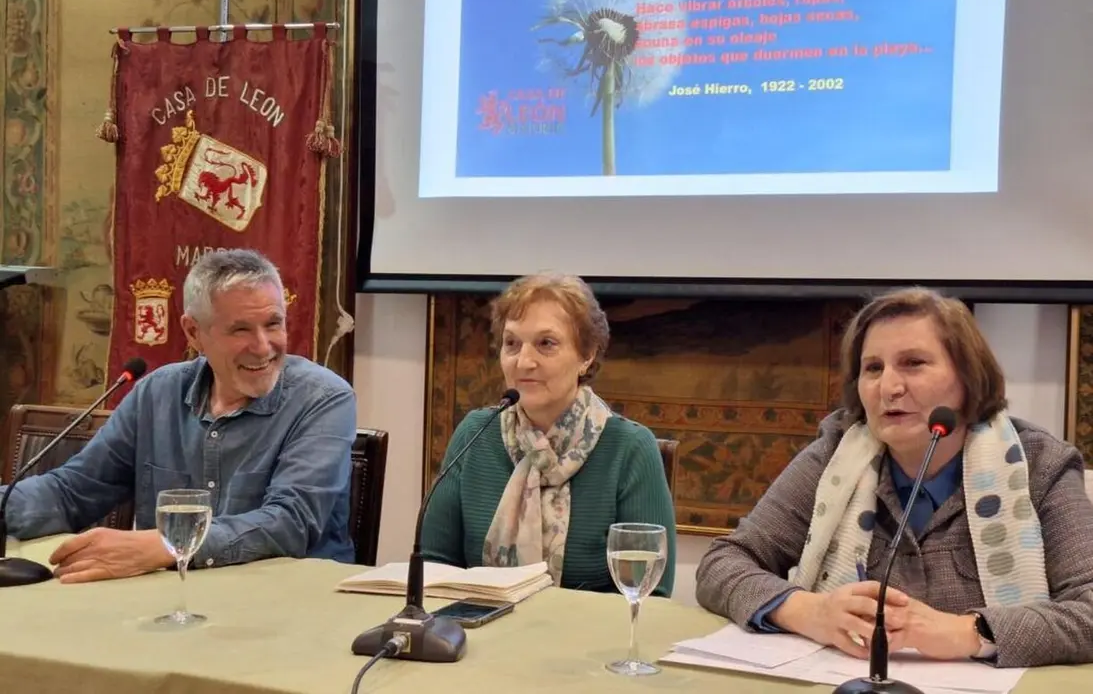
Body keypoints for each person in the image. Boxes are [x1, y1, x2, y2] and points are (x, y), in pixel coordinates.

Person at [695, 287, 1093, 668]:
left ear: (967, 375)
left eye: (913, 363)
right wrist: (808, 610)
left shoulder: (1039, 465)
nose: (889, 387)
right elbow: (723, 562)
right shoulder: (835, 454)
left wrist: (969, 632)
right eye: (873, 368)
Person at [1, 249, 357, 582]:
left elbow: (289, 523)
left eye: (273, 324)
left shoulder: (323, 398)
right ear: (193, 332)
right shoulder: (157, 394)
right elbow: (72, 492)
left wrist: (168, 544)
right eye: (241, 330)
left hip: (287, 601)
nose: (264, 347)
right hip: (169, 602)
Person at [420, 272, 677, 596]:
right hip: (481, 636)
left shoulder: (629, 449)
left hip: (588, 642)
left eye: (546, 344)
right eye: (511, 343)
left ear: (587, 355)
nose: (524, 361)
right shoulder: (475, 434)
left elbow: (650, 594)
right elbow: (433, 569)